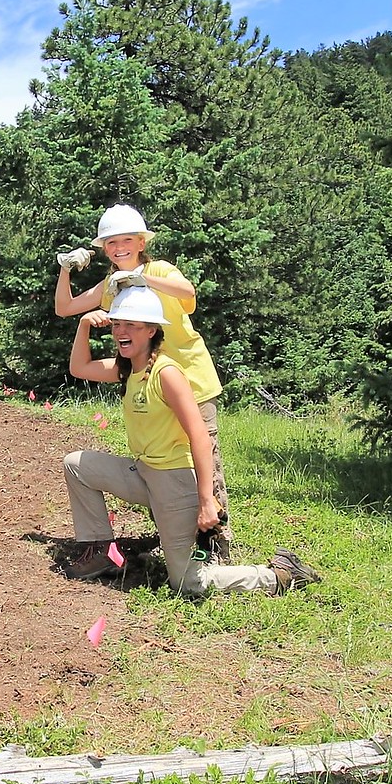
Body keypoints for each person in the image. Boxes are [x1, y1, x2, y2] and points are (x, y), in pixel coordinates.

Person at [61, 286, 319, 597]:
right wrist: (84, 324)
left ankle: (280, 574)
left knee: (188, 582)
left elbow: (199, 435)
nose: (121, 332)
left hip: (174, 482)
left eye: (131, 325)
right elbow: (79, 368)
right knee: (76, 465)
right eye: (117, 324)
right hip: (143, 473)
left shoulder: (166, 372)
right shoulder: (129, 368)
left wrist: (207, 500)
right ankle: (100, 552)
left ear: (152, 330)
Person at [54, 203, 235, 561]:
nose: (119, 247)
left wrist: (142, 279)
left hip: (190, 381)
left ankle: (217, 548)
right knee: (162, 465)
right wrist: (65, 269)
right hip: (149, 385)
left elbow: (188, 294)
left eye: (126, 240)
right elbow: (65, 307)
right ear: (103, 248)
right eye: (111, 242)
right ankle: (175, 536)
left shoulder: (159, 269)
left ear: (141, 242)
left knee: (206, 465)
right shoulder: (110, 285)